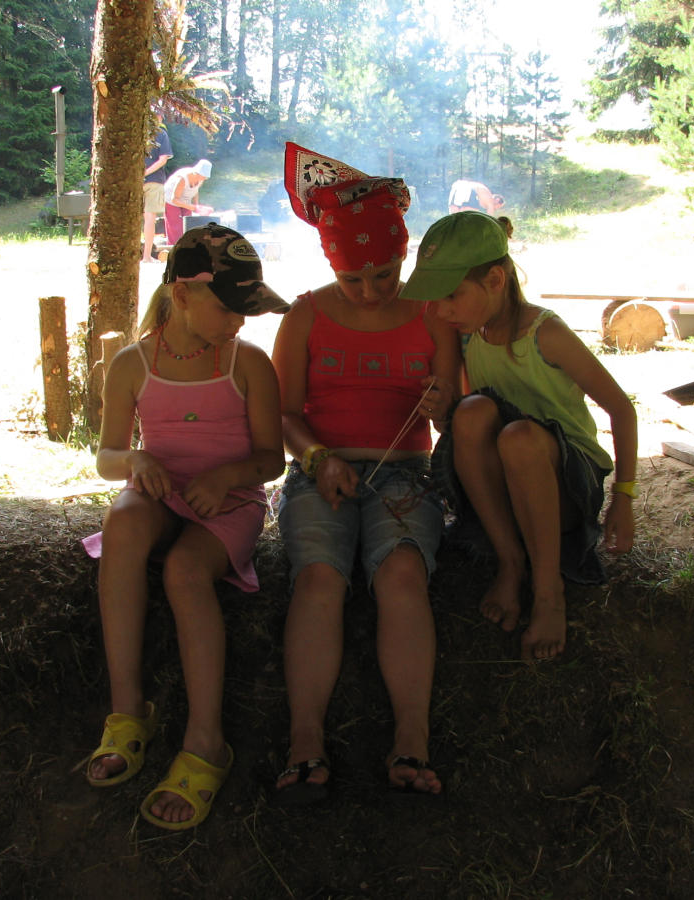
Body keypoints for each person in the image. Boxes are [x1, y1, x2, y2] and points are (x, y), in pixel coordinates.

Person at [271, 143, 460, 803]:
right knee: (320, 577)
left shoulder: (433, 315)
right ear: (332, 266)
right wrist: (317, 459)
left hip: (404, 472)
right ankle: (305, 740)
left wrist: (444, 403)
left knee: (402, 573)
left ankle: (412, 738)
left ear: (403, 256)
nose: (373, 291)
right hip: (318, 470)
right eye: (355, 280)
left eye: (385, 274)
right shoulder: (305, 315)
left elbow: (454, 408)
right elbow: (284, 415)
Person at [84, 223, 289, 830]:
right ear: (181, 294)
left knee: (184, 570)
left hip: (231, 503)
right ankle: (127, 712)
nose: (240, 321)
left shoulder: (248, 363)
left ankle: (206, 741)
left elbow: (271, 461)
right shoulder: (132, 363)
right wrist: (137, 460)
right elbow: (107, 458)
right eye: (229, 307)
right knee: (123, 521)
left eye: (247, 309)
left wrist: (226, 477)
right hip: (161, 493)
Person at [400, 211, 637, 661]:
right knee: (472, 412)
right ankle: (510, 561)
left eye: (451, 295)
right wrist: (443, 411)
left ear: (495, 280)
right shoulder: (470, 336)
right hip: (509, 487)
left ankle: (548, 593)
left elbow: (622, 410)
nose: (440, 311)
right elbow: (461, 433)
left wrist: (623, 497)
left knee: (520, 438)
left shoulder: (546, 333)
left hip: (567, 487)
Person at [141, 112, 173, 263]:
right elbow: (163, 160)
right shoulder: (161, 134)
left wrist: (138, 174)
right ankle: (146, 256)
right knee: (149, 218)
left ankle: (134, 255)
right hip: (154, 180)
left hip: (135, 180)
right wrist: (146, 172)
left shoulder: (137, 131)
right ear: (159, 117)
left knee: (133, 218)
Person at [163, 159, 213, 245]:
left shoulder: (201, 179)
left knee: (188, 224)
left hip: (185, 200)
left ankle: (186, 247)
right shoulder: (183, 178)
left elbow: (195, 191)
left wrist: (197, 206)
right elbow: (174, 199)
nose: (203, 179)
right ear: (196, 173)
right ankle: (174, 248)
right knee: (176, 227)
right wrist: (193, 207)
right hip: (171, 201)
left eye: (205, 177)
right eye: (202, 176)